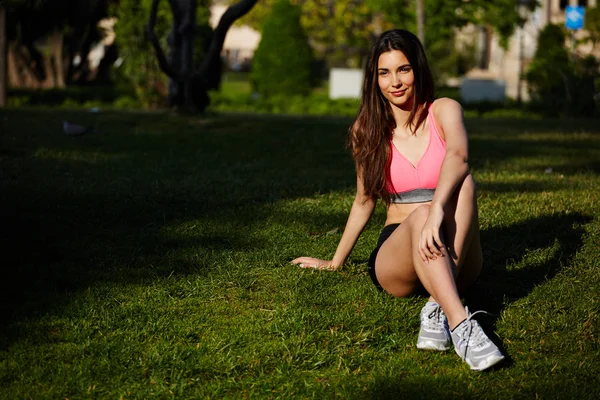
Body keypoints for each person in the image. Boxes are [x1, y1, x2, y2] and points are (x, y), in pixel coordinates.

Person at [291, 29, 504, 371]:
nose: (395, 82)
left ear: (417, 69)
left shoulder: (444, 110)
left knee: (465, 182)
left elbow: (460, 157)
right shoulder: (367, 129)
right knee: (418, 217)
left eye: (403, 69)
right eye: (384, 72)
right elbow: (364, 201)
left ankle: (437, 304)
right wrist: (335, 261)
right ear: (374, 79)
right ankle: (462, 326)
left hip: (456, 253)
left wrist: (437, 208)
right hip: (398, 254)